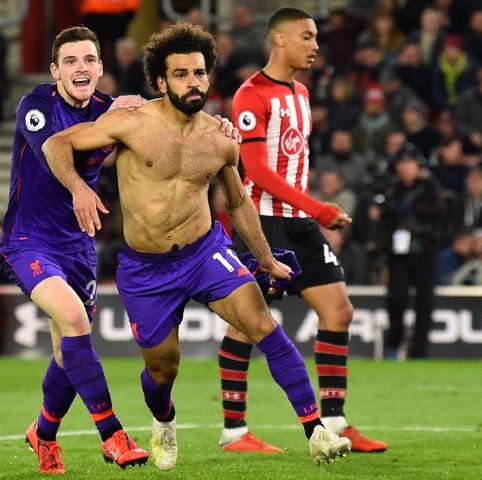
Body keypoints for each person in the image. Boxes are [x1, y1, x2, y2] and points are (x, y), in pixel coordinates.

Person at [42, 22, 352, 470]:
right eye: (182, 74)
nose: (194, 82)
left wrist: (266, 260)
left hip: (205, 253)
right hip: (146, 269)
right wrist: (77, 188)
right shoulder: (130, 122)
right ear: (162, 81)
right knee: (163, 370)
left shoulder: (220, 138)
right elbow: (56, 144)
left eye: (200, 73)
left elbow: (240, 202)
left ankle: (316, 430)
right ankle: (164, 417)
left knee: (262, 323)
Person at [221, 7, 388, 454]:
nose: (315, 45)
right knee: (247, 323)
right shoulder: (250, 95)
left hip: (299, 224)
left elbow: (289, 162)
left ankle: (334, 421)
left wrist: (310, 211)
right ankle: (234, 432)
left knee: (339, 311)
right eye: (306, 36)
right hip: (263, 223)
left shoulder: (301, 92)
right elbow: (253, 167)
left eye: (315, 37)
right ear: (279, 40)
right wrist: (318, 207)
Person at [0, 26, 151, 474]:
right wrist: (82, 186)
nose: (80, 69)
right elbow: (51, 151)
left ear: (101, 68)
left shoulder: (108, 111)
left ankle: (43, 434)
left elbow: (164, 126)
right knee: (75, 319)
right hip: (28, 240)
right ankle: (113, 435)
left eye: (88, 60)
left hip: (78, 246)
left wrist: (207, 121)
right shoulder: (36, 105)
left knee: (69, 348)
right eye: (70, 61)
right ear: (55, 70)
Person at [379, 144, 444, 359]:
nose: (405, 168)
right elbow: (384, 220)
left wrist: (417, 221)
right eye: (402, 163)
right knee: (396, 300)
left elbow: (439, 216)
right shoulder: (392, 188)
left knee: (424, 304)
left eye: (409, 163)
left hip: (425, 251)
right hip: (399, 254)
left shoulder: (430, 188)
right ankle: (393, 347)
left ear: (418, 166)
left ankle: (418, 352)